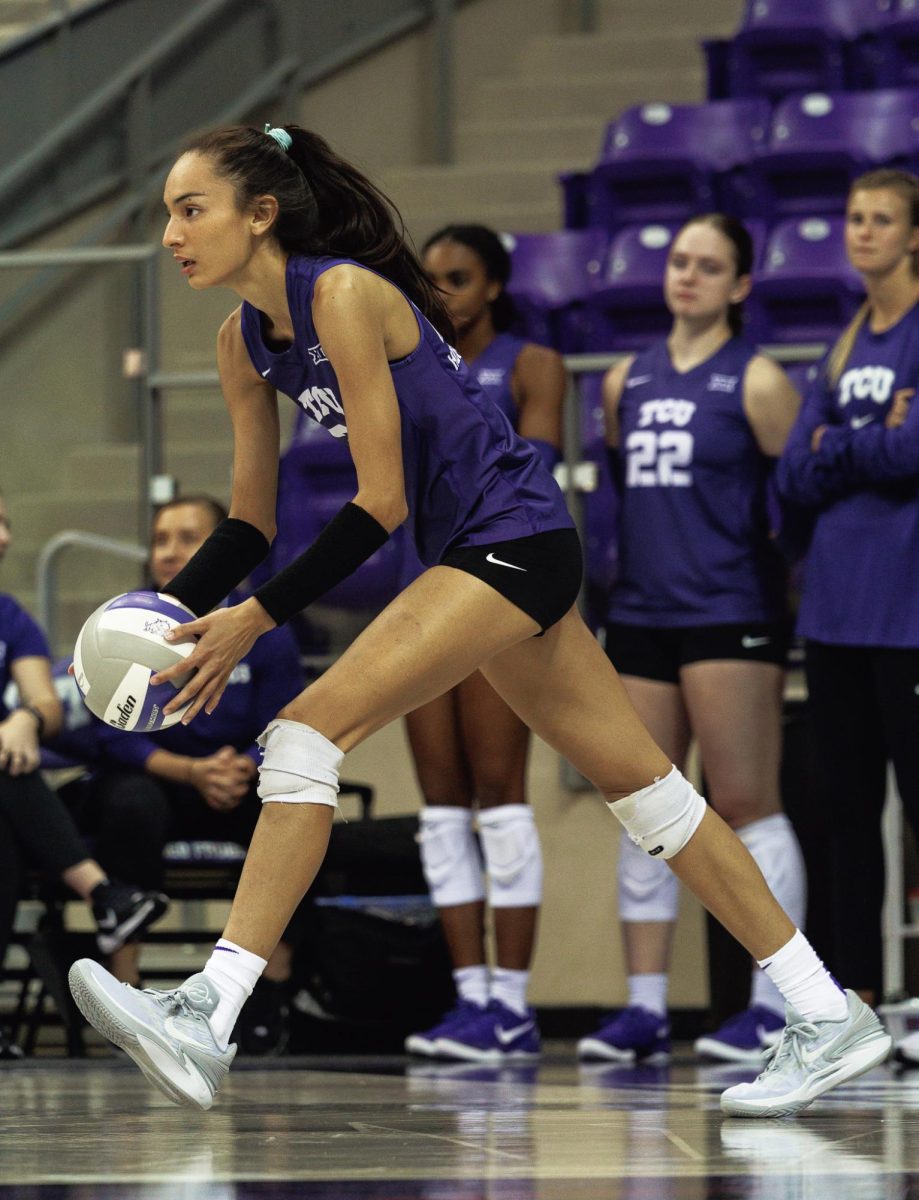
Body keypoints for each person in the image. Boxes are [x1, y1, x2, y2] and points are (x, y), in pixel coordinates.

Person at [67, 123, 890, 1117]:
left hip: (511, 543)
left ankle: (210, 1008)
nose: (171, 233)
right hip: (481, 556)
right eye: (167, 214)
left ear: (260, 215)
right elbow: (251, 519)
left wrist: (254, 620)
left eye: (189, 209)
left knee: (300, 736)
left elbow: (377, 502)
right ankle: (823, 1011)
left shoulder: (341, 295)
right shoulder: (242, 341)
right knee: (650, 795)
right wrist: (166, 616)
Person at [577, 215, 807, 1067]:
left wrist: (776, 596)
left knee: (745, 804)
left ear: (740, 286)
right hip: (640, 610)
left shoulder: (757, 382)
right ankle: (642, 1010)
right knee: (644, 808)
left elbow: (795, 504)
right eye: (678, 263)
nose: (687, 278)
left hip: (727, 610)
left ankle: (773, 1003)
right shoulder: (621, 381)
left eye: (708, 267)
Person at [402, 224, 564, 1063]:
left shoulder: (530, 365)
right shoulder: (407, 366)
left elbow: (524, 468)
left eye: (458, 278)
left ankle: (514, 1002)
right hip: (420, 581)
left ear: (493, 285)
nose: (442, 294)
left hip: (495, 581)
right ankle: (470, 999)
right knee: (439, 807)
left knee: (500, 794)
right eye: (429, 280)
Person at [775, 168, 919, 1063]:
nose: (860, 233)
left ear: (913, 236)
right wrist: (862, 446)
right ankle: (855, 1000)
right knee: (844, 810)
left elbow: (914, 451)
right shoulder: (841, 343)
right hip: (832, 613)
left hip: (906, 609)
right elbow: (793, 471)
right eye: (853, 219)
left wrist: (842, 446)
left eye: (880, 220)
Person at [85, 493, 305, 1053]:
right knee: (128, 803)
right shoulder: (125, 623)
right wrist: (190, 771)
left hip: (238, 781)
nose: (170, 552)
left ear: (224, 550)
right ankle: (124, 990)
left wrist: (241, 769)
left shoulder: (264, 630)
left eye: (188, 539)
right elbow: (112, 733)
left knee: (295, 810)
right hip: (161, 781)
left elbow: (286, 722)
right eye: (161, 540)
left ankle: (267, 1003)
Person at [0, 489, 167, 1057]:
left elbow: (45, 703)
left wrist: (25, 718)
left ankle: (106, 897)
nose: (3, 537)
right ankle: (103, 893)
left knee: (4, 839)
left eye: (5, 521)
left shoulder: (8, 616)